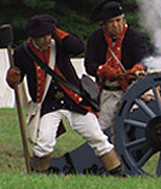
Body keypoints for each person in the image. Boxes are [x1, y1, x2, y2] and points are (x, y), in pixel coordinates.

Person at [6, 14, 125, 176]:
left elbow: (78, 48)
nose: (48, 39)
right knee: (44, 144)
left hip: (74, 100)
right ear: (33, 37)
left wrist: (58, 33)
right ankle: (39, 175)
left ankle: (117, 172)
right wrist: (12, 78)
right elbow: (16, 79)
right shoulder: (22, 52)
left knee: (97, 138)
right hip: (48, 105)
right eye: (44, 36)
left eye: (50, 34)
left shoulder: (60, 44)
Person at [85, 0, 149, 131]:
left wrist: (137, 69)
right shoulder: (95, 38)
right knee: (104, 129)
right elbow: (89, 64)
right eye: (111, 22)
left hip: (130, 91)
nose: (115, 25)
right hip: (108, 92)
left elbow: (143, 59)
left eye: (118, 20)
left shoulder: (134, 37)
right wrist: (101, 70)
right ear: (104, 24)